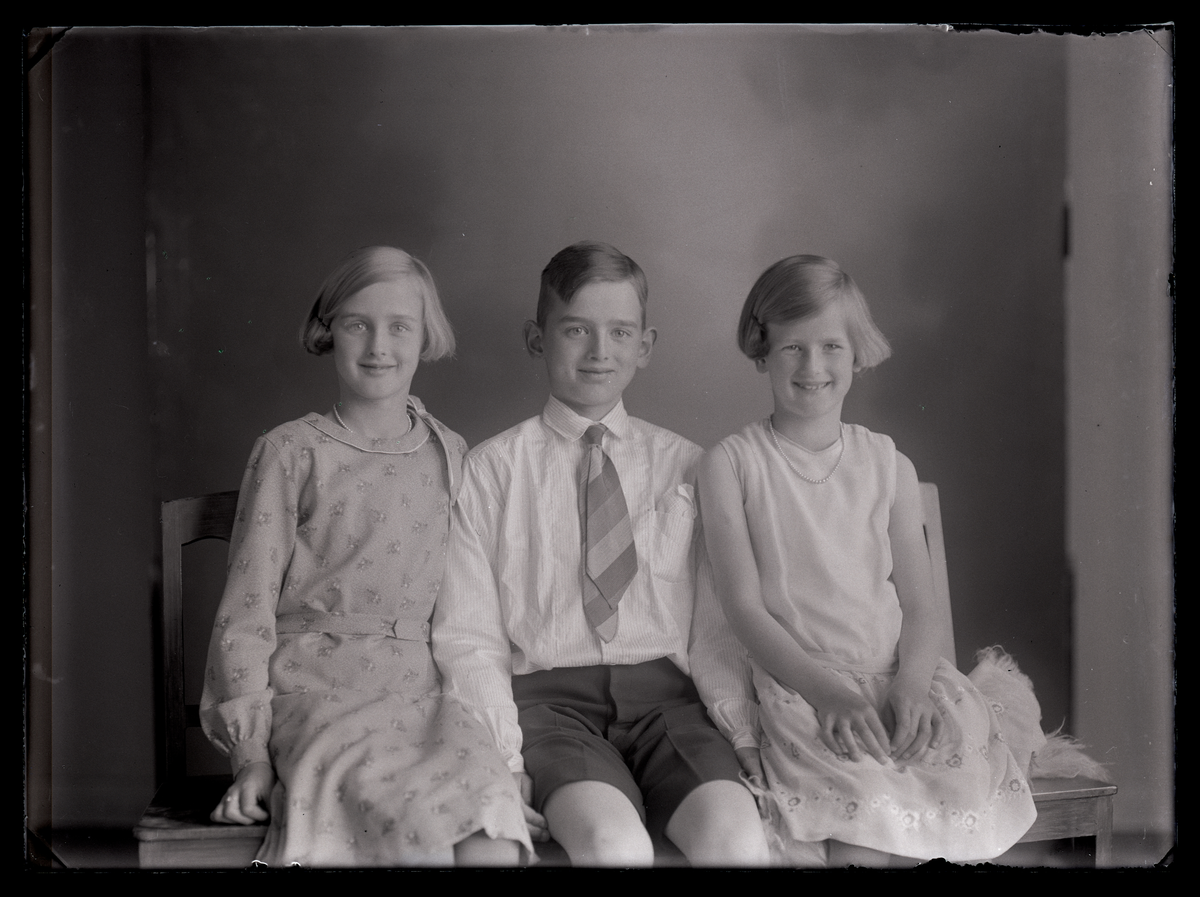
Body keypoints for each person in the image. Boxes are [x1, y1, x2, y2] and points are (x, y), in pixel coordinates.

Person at [432, 241, 770, 867]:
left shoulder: (688, 466)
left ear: (645, 345)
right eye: (575, 330)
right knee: (613, 845)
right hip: (551, 712)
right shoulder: (491, 471)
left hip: (672, 710)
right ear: (536, 339)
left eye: (619, 332)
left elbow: (716, 630)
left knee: (736, 840)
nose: (598, 351)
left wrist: (740, 730)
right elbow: (469, 636)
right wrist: (503, 757)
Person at [697, 255, 1038, 867]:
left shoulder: (889, 464)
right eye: (793, 347)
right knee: (861, 828)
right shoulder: (731, 463)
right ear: (762, 350)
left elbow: (920, 605)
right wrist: (829, 693)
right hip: (807, 686)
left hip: (900, 677)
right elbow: (745, 611)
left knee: (945, 815)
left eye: (831, 346)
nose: (813, 367)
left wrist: (912, 686)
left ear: (857, 353)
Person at [200, 246, 532, 867]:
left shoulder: (450, 452)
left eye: (399, 326)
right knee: (413, 833)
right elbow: (244, 616)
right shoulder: (290, 452)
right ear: (328, 331)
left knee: (492, 835)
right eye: (358, 324)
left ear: (426, 336)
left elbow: (470, 613)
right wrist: (250, 757)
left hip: (426, 700)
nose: (379, 346)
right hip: (316, 692)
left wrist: (504, 753)